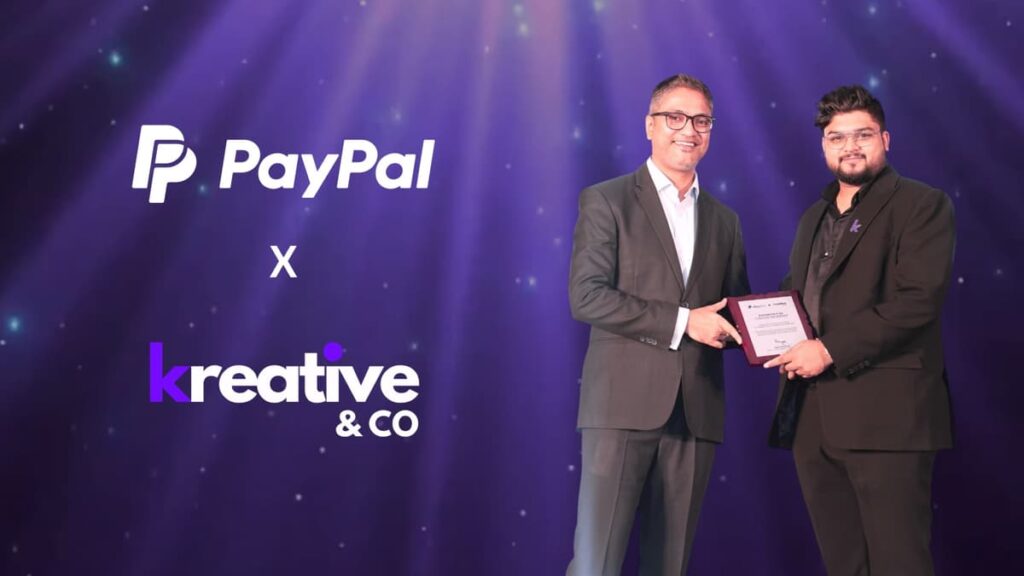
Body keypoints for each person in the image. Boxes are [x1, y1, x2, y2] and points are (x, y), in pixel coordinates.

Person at [765, 85, 955, 576]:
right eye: (837, 137)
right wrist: (741, 326)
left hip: (888, 420)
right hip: (812, 419)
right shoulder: (813, 216)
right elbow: (796, 296)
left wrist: (827, 350)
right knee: (843, 563)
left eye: (862, 135)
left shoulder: (921, 204)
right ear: (824, 146)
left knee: (899, 562)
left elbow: (917, 301)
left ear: (885, 140)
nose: (850, 146)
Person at [567, 73, 750, 575]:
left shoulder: (726, 220)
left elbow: (732, 311)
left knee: (669, 566)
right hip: (620, 408)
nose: (688, 129)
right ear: (650, 125)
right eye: (675, 117)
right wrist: (684, 322)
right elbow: (586, 297)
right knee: (596, 563)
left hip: (696, 412)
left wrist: (777, 326)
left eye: (701, 120)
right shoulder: (607, 200)